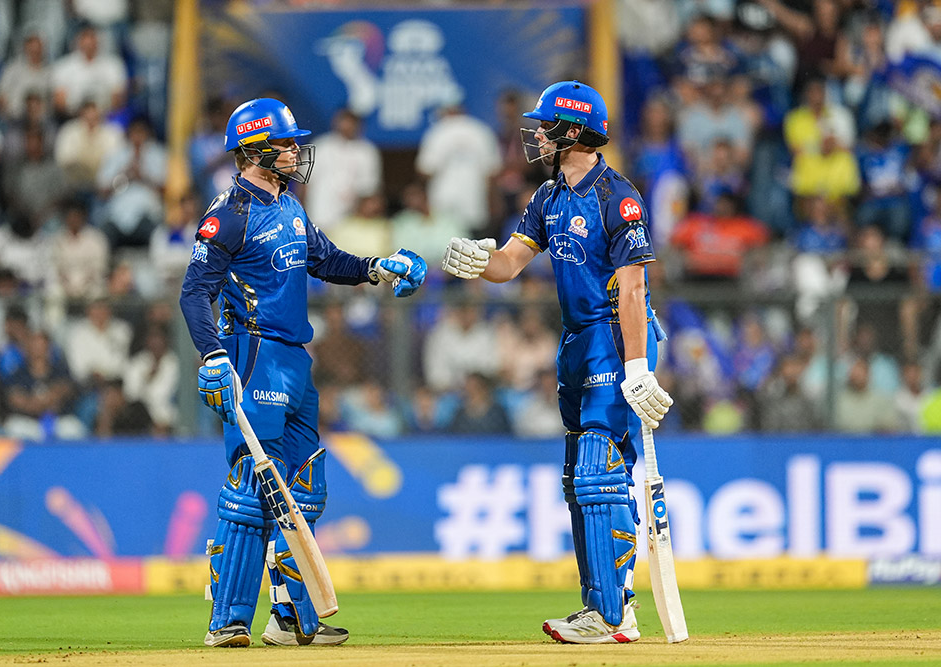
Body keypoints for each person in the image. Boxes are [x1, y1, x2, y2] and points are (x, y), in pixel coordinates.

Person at [179, 98, 426, 649]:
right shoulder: (229, 213)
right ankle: (230, 620)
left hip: (295, 358)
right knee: (252, 487)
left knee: (305, 490)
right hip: (253, 351)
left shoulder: (290, 206)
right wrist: (213, 354)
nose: (296, 152)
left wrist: (374, 268)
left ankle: (287, 619)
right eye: (287, 144)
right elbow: (194, 292)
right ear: (256, 148)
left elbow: (325, 258)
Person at [441, 81, 672, 644]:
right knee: (581, 481)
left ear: (573, 132)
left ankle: (612, 614)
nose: (536, 135)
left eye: (546, 126)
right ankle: (609, 608)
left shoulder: (617, 196)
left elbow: (635, 286)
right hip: (576, 341)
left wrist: (639, 366)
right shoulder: (548, 197)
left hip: (617, 338)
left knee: (597, 472)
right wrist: (477, 263)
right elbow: (510, 264)